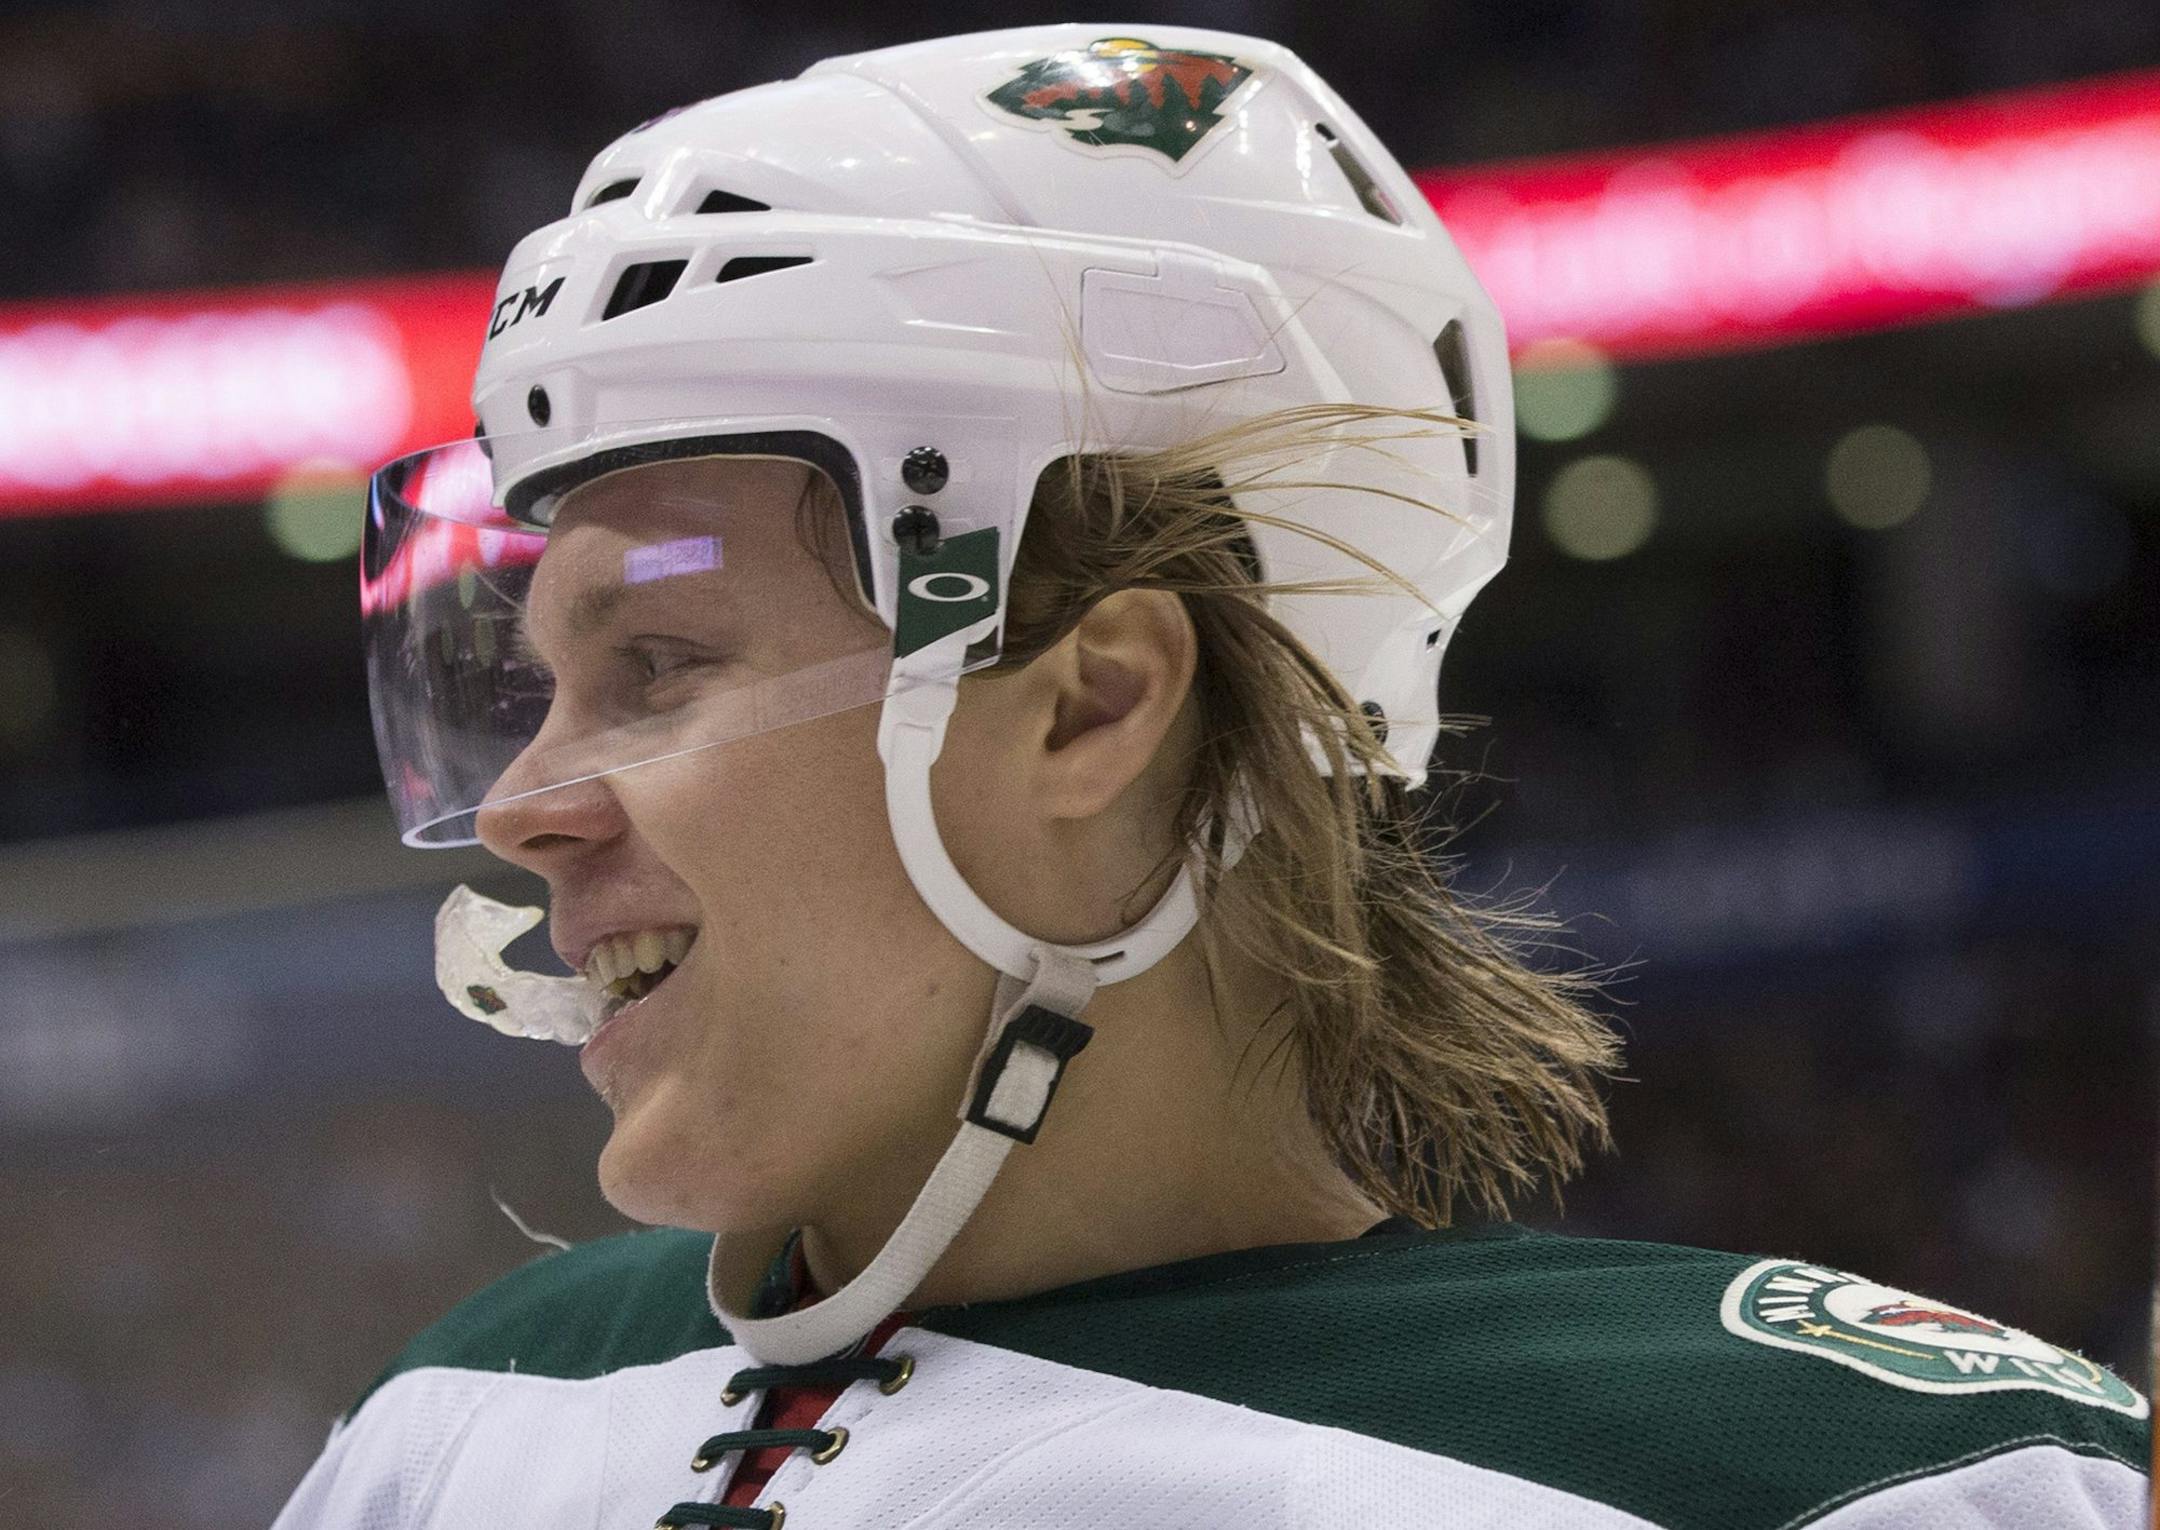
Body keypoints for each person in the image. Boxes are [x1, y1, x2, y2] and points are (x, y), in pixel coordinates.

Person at [278, 25, 2148, 1530]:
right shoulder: (449, 1424)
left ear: (1093, 705)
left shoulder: (1827, 1485)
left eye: (658, 665)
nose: (525, 804)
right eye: (532, 689)